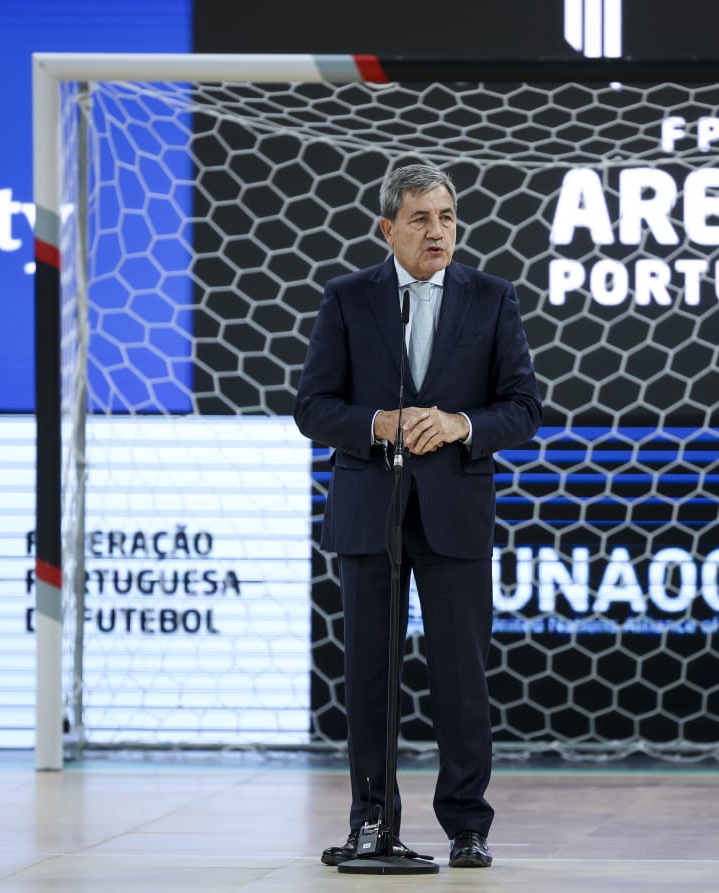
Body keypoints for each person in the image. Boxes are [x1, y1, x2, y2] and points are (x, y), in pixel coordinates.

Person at [294, 163, 541, 869]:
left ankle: (468, 825)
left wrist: (460, 423)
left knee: (461, 675)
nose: (438, 232)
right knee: (370, 673)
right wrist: (379, 422)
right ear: (387, 228)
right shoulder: (348, 299)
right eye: (422, 219)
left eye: (448, 217)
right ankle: (371, 820)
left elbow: (523, 406)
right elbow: (313, 406)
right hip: (371, 510)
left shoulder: (493, 298)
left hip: (456, 513)